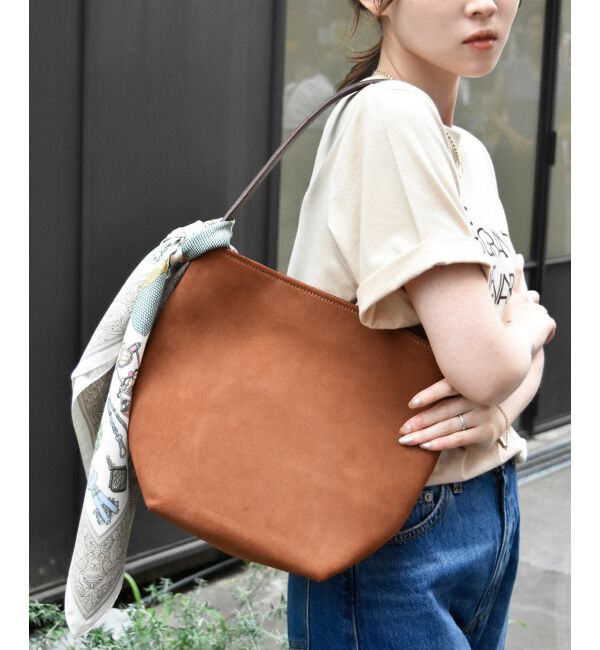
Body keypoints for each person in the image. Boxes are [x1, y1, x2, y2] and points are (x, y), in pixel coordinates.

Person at [284, 1, 556, 648]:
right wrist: (529, 331)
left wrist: (497, 405)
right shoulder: (390, 114)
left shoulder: (467, 151)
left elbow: (507, 358)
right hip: (393, 528)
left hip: (486, 501)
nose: (485, 4)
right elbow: (492, 359)